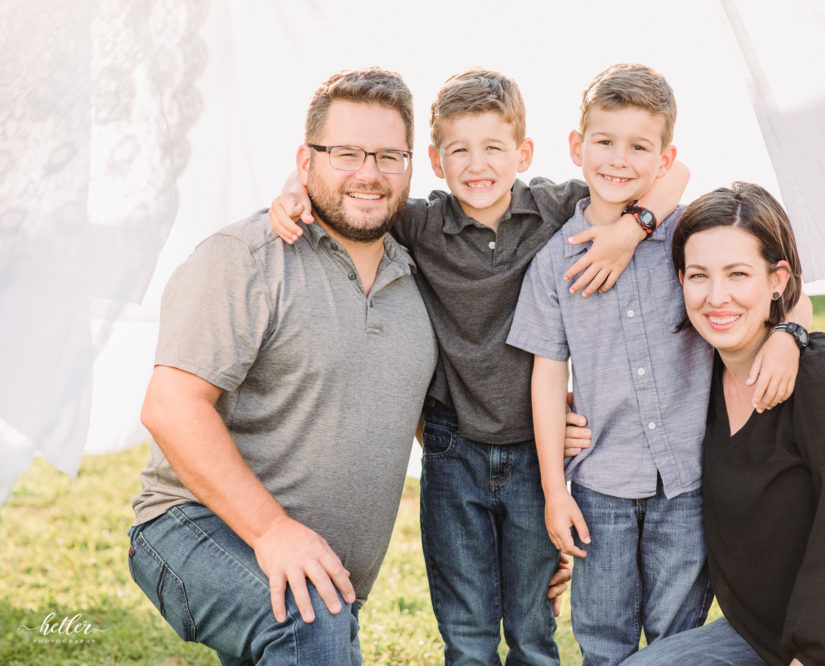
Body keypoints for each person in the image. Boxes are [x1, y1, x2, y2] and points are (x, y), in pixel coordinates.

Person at [268, 67, 692, 665]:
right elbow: (340, 186)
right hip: (451, 449)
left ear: (524, 152)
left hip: (532, 452)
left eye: (494, 147)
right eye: (459, 150)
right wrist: (292, 187)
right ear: (435, 162)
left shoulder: (556, 207)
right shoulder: (420, 223)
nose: (478, 165)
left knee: (532, 627)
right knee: (465, 630)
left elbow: (674, 174)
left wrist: (632, 230)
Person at [128, 68, 438, 665]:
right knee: (307, 622)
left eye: (388, 156)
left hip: (319, 571)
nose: (369, 173)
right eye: (346, 153)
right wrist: (273, 533)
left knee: (312, 617)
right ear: (306, 159)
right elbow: (170, 408)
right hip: (189, 527)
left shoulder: (419, 278)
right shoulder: (244, 259)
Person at [507, 65, 809, 666]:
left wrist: (790, 338)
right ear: (577, 146)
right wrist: (552, 489)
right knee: (603, 639)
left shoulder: (689, 236)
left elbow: (784, 282)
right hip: (600, 488)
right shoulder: (552, 265)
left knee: (679, 639)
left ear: (664, 158)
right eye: (605, 142)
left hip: (689, 483)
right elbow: (547, 377)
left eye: (639, 147)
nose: (619, 160)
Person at [622, 182, 825, 666]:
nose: (717, 296)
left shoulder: (823, 376)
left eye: (738, 274)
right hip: (764, 635)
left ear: (777, 278)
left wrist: (814, 656)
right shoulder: (696, 384)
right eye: (699, 275)